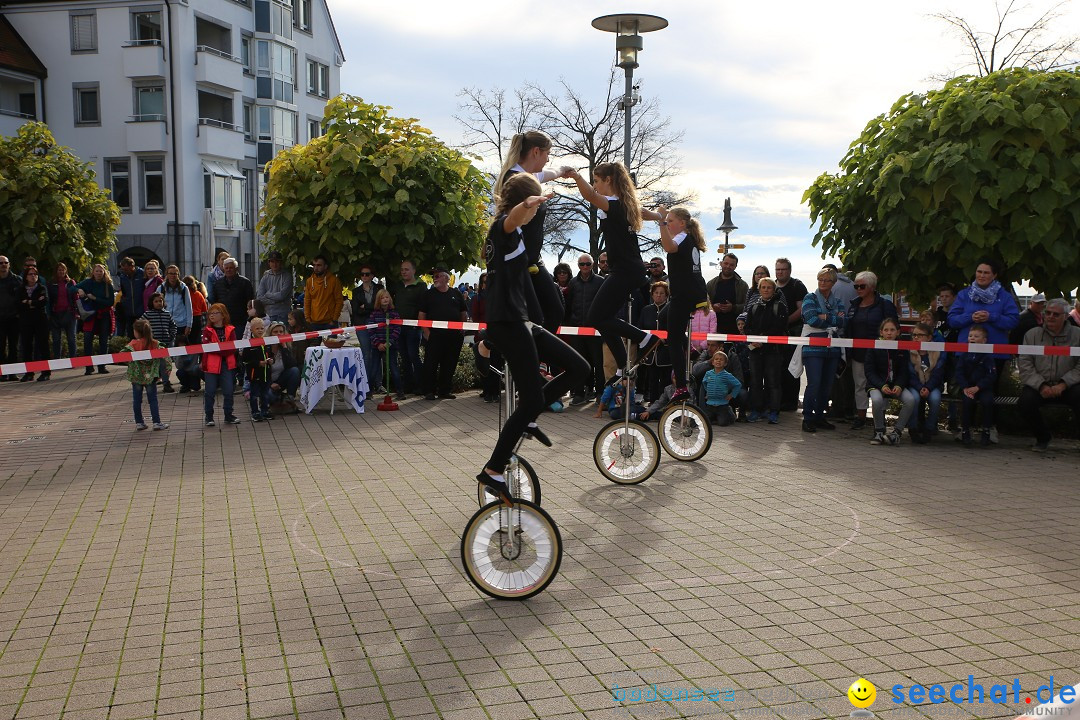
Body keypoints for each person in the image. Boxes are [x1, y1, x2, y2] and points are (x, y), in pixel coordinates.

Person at [475, 175, 558, 504]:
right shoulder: (503, 227)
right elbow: (511, 219)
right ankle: (493, 470)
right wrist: (527, 204)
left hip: (517, 320)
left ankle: (529, 415)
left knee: (577, 368)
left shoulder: (517, 235)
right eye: (535, 203)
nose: (539, 211)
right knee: (534, 400)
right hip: (508, 322)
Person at [566, 163, 665, 380]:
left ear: (608, 180)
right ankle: (622, 365)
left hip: (625, 270)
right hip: (629, 268)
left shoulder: (613, 203)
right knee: (604, 318)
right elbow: (644, 213)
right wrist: (660, 217)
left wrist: (575, 176)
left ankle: (644, 339)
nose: (595, 185)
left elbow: (590, 196)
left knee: (595, 316)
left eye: (597, 180)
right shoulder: (626, 203)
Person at [493, 131, 571, 335]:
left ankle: (536, 359)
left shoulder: (528, 178)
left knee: (555, 310)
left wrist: (564, 170)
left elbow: (549, 173)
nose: (548, 160)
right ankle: (489, 343)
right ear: (536, 152)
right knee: (535, 318)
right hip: (518, 260)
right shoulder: (516, 180)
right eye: (547, 154)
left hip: (534, 260)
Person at [949, 259, 1020, 442]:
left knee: (991, 392)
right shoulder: (965, 294)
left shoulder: (1004, 297)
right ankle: (967, 428)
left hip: (995, 353)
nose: (981, 275)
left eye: (986, 272)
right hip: (967, 352)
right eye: (979, 271)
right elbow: (953, 320)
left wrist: (991, 316)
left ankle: (990, 428)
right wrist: (969, 317)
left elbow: (1013, 320)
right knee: (967, 390)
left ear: (994, 275)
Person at [654, 207, 708, 405]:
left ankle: (681, 386)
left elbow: (668, 247)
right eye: (667, 221)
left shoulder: (681, 238)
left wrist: (661, 223)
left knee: (673, 340)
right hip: (690, 292)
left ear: (682, 223)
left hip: (683, 295)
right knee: (663, 317)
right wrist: (662, 217)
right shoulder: (687, 237)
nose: (668, 224)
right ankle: (692, 350)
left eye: (670, 221)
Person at [1017, 298, 1080, 452]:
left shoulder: (1078, 335)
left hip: (1069, 385)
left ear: (1065, 316)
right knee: (1025, 403)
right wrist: (1041, 385)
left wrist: (1064, 384)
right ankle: (1043, 438)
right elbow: (1025, 364)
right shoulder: (1032, 334)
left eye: (1055, 314)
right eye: (1048, 313)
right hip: (1040, 385)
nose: (1050, 316)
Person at [844, 271, 898, 430]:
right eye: (856, 286)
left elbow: (893, 327)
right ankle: (860, 417)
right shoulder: (854, 305)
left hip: (880, 354)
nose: (858, 289)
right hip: (858, 353)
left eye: (862, 286)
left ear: (872, 287)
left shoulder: (885, 305)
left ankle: (879, 418)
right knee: (859, 385)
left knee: (882, 384)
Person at [799, 267, 846, 432]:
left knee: (827, 384)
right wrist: (832, 319)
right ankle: (808, 417)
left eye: (827, 280)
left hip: (832, 347)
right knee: (814, 382)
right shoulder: (810, 298)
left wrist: (825, 317)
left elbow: (843, 321)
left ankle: (820, 416)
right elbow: (811, 318)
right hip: (813, 347)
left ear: (833, 282)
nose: (823, 283)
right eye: (820, 279)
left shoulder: (838, 301)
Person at [866, 317, 916, 446]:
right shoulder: (874, 346)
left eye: (892, 330)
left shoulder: (902, 347)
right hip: (877, 385)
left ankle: (896, 432)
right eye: (886, 330)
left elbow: (904, 371)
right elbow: (870, 371)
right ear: (881, 332)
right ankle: (879, 431)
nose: (889, 333)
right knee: (877, 400)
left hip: (895, 385)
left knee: (910, 400)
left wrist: (899, 385)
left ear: (898, 332)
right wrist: (881, 385)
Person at [418, 268, 467, 400]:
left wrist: (461, 329)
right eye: (434, 276)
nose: (435, 278)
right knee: (431, 364)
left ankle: (444, 391)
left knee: (449, 364)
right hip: (435, 336)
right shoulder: (428, 295)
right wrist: (427, 332)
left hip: (453, 337)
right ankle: (429, 391)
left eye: (438, 276)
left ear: (446, 278)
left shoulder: (456, 294)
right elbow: (422, 315)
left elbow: (463, 313)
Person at [745, 276, 788, 424]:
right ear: (759, 289)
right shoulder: (754, 307)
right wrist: (754, 339)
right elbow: (747, 326)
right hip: (755, 351)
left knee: (773, 382)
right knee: (755, 381)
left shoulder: (780, 306)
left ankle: (774, 410)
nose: (766, 290)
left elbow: (780, 327)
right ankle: (757, 409)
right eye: (763, 287)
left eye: (769, 287)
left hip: (773, 351)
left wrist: (763, 339)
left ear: (774, 289)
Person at [565, 252, 605, 405]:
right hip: (576, 329)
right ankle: (579, 393)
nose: (585, 267)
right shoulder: (573, 283)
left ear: (593, 264)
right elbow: (568, 304)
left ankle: (600, 392)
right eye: (582, 264)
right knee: (579, 362)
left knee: (598, 362)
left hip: (595, 330)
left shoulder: (601, 281)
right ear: (578, 266)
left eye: (588, 264)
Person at [954, 324, 996, 447]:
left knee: (988, 401)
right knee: (967, 402)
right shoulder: (964, 355)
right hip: (968, 387)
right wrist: (965, 387)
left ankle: (986, 431)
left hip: (983, 388)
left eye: (976, 336)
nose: (972, 338)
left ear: (984, 341)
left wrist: (978, 387)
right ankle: (966, 431)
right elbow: (959, 372)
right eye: (970, 335)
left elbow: (991, 375)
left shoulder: (988, 356)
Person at [774, 258, 808, 411]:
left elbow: (801, 310)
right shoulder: (772, 286)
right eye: (778, 269)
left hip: (793, 332)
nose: (780, 272)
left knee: (792, 367)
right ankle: (779, 401)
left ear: (790, 270)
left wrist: (785, 321)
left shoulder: (797, 286)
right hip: (776, 334)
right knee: (778, 368)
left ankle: (791, 401)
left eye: (783, 269)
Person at [123, 318, 169, 431]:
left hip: (136, 376)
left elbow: (122, 355)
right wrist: (167, 368)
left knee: (137, 400)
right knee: (152, 399)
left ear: (137, 332)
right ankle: (157, 422)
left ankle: (139, 422)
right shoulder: (155, 344)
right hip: (151, 376)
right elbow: (166, 356)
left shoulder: (133, 344)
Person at [390, 260, 427, 395]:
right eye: (402, 270)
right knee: (404, 357)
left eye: (406, 269)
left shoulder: (421, 286)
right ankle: (408, 386)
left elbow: (423, 306)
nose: (403, 272)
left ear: (414, 271)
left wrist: (419, 325)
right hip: (399, 327)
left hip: (413, 327)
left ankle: (421, 385)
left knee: (413, 356)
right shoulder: (398, 286)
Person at [201, 304, 241, 427]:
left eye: (215, 312)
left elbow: (232, 348)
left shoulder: (231, 330)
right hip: (211, 365)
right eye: (210, 313)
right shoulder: (207, 331)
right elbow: (208, 347)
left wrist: (219, 349)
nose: (212, 315)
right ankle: (209, 416)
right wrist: (223, 349)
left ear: (223, 315)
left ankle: (229, 415)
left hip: (227, 364)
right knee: (210, 391)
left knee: (229, 390)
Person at [906, 322, 946, 443]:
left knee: (935, 399)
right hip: (914, 385)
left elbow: (938, 373)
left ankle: (929, 429)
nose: (916, 338)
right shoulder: (909, 352)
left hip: (932, 385)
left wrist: (928, 387)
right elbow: (909, 375)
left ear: (929, 337)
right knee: (914, 399)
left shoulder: (938, 352)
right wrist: (919, 387)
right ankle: (912, 428)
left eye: (920, 335)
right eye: (914, 335)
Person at [76, 264, 115, 375]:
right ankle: (89, 367)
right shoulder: (88, 282)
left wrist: (95, 298)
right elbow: (71, 288)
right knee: (87, 340)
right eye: (96, 271)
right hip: (90, 315)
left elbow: (110, 302)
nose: (98, 273)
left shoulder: (108, 285)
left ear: (104, 273)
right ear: (93, 272)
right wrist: (79, 289)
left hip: (104, 315)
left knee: (103, 341)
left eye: (100, 271)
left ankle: (102, 366)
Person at [350, 262, 383, 390]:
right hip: (362, 325)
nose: (364, 276)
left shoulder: (379, 288)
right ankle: (366, 383)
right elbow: (356, 310)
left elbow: (380, 306)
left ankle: (378, 384)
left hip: (376, 324)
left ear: (372, 275)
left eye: (367, 274)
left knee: (377, 352)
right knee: (366, 354)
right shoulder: (356, 291)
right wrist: (371, 307)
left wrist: (366, 307)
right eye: (362, 274)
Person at [469, 273, 501, 404]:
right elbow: (475, 317)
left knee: (496, 364)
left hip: (498, 337)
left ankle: (495, 392)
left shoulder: (500, 298)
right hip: (482, 337)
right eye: (484, 282)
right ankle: (487, 391)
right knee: (483, 365)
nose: (486, 284)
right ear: (481, 285)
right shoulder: (477, 299)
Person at [368, 289, 404, 399]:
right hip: (377, 346)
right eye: (382, 298)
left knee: (393, 368)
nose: (385, 299)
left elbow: (397, 330)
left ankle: (399, 391)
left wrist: (389, 343)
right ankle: (369, 391)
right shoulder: (374, 314)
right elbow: (370, 330)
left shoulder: (394, 313)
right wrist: (378, 344)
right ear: (378, 300)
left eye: (387, 297)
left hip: (391, 346)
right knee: (373, 368)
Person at [211, 258, 255, 348]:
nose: (228, 270)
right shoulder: (218, 284)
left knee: (239, 347)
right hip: (223, 323)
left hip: (240, 322)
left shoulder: (245, 283)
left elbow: (250, 302)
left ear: (236, 269)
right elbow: (215, 302)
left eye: (231, 268)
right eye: (226, 268)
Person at [16, 265, 50, 382]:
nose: (33, 276)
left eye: (35, 274)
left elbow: (43, 302)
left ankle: (46, 372)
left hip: (40, 319)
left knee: (43, 346)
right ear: (25, 276)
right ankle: (29, 373)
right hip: (26, 320)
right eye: (30, 274)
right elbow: (19, 304)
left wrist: (28, 302)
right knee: (26, 346)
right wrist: (34, 302)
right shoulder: (20, 289)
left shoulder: (42, 288)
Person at [639, 281, 670, 403]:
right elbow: (640, 328)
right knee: (652, 380)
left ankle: (665, 405)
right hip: (650, 351)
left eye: (662, 293)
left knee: (666, 381)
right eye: (656, 293)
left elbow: (676, 329)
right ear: (652, 295)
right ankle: (652, 404)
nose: (658, 295)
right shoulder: (646, 310)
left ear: (666, 295)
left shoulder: (670, 309)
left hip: (666, 351)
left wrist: (665, 339)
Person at [142, 292, 177, 393]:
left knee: (164, 364)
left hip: (165, 343)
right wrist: (147, 337)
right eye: (156, 301)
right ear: (151, 303)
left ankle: (165, 383)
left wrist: (171, 336)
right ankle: (152, 381)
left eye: (160, 301)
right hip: (153, 344)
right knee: (154, 364)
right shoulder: (148, 314)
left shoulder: (167, 314)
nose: (158, 303)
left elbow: (173, 325)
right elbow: (140, 325)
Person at [706, 253, 748, 336]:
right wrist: (713, 307)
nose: (728, 266)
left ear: (735, 266)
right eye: (726, 263)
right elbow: (704, 305)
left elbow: (747, 307)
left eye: (731, 265)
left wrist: (733, 308)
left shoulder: (743, 285)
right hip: (714, 329)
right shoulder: (711, 284)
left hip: (736, 330)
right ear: (721, 264)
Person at [241, 317, 273, 422]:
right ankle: (255, 412)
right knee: (254, 394)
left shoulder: (266, 342)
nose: (260, 330)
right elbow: (245, 359)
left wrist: (271, 360)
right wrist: (258, 363)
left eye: (262, 328)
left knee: (265, 394)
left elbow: (271, 354)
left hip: (266, 374)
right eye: (257, 328)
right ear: (251, 330)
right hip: (254, 375)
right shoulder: (249, 344)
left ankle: (265, 410)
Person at [701, 350, 742, 426]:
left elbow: (738, 384)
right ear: (712, 362)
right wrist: (708, 391)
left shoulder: (727, 375)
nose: (718, 361)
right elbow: (704, 382)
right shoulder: (708, 373)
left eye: (721, 359)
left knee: (723, 423)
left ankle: (730, 414)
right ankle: (715, 417)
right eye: (716, 359)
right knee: (706, 422)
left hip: (722, 404)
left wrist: (732, 395)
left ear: (725, 363)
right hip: (710, 403)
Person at [48, 262, 79, 362]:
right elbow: (49, 300)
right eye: (59, 270)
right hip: (55, 314)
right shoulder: (51, 283)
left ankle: (73, 360)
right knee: (56, 339)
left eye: (63, 269)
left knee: (71, 338)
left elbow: (76, 297)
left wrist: (77, 312)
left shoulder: (71, 282)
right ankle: (57, 360)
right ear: (56, 271)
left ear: (66, 271)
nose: (61, 271)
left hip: (69, 313)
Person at [303, 255, 343, 331]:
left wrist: (334, 319)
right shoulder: (309, 281)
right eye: (314, 265)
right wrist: (308, 319)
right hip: (313, 322)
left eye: (319, 265)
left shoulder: (334, 280)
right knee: (314, 343)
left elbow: (339, 301)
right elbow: (307, 301)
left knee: (331, 343)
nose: (316, 268)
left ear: (325, 266)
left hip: (329, 323)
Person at [266, 321, 300, 403]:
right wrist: (270, 384)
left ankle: (290, 397)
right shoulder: (265, 348)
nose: (279, 334)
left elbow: (292, 364)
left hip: (280, 380)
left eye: (281, 332)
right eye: (275, 332)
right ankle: (276, 398)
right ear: (270, 334)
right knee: (270, 397)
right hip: (267, 382)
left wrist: (284, 348)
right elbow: (259, 371)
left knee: (294, 370)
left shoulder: (285, 348)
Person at [256, 251, 293, 323]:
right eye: (272, 262)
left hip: (283, 315)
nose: (274, 264)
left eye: (277, 262)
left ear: (281, 263)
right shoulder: (265, 277)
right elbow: (259, 297)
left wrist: (268, 294)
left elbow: (282, 296)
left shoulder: (287, 276)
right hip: (268, 315)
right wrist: (276, 301)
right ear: (269, 263)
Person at [161, 265, 192, 347]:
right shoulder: (161, 288)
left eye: (175, 274)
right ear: (167, 274)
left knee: (180, 349)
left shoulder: (184, 288)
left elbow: (189, 307)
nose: (173, 276)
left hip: (181, 324)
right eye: (170, 273)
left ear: (178, 275)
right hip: (166, 324)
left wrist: (189, 325)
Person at [0, 255, 20, 381]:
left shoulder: (17, 280)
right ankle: (2, 373)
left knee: (13, 346)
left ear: (9, 264)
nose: (3, 265)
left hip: (14, 319)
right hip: (0, 319)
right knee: (0, 346)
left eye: (5, 262)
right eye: (0, 263)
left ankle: (13, 373)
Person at [114, 256, 144, 338]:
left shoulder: (142, 274)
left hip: (141, 310)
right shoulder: (123, 277)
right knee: (130, 334)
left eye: (126, 269)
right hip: (129, 311)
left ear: (132, 266)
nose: (124, 271)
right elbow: (123, 292)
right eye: (123, 269)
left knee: (141, 334)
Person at [183, 275, 207, 340]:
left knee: (186, 339)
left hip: (186, 318)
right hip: (198, 318)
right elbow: (204, 308)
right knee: (196, 339)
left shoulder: (183, 294)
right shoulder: (198, 294)